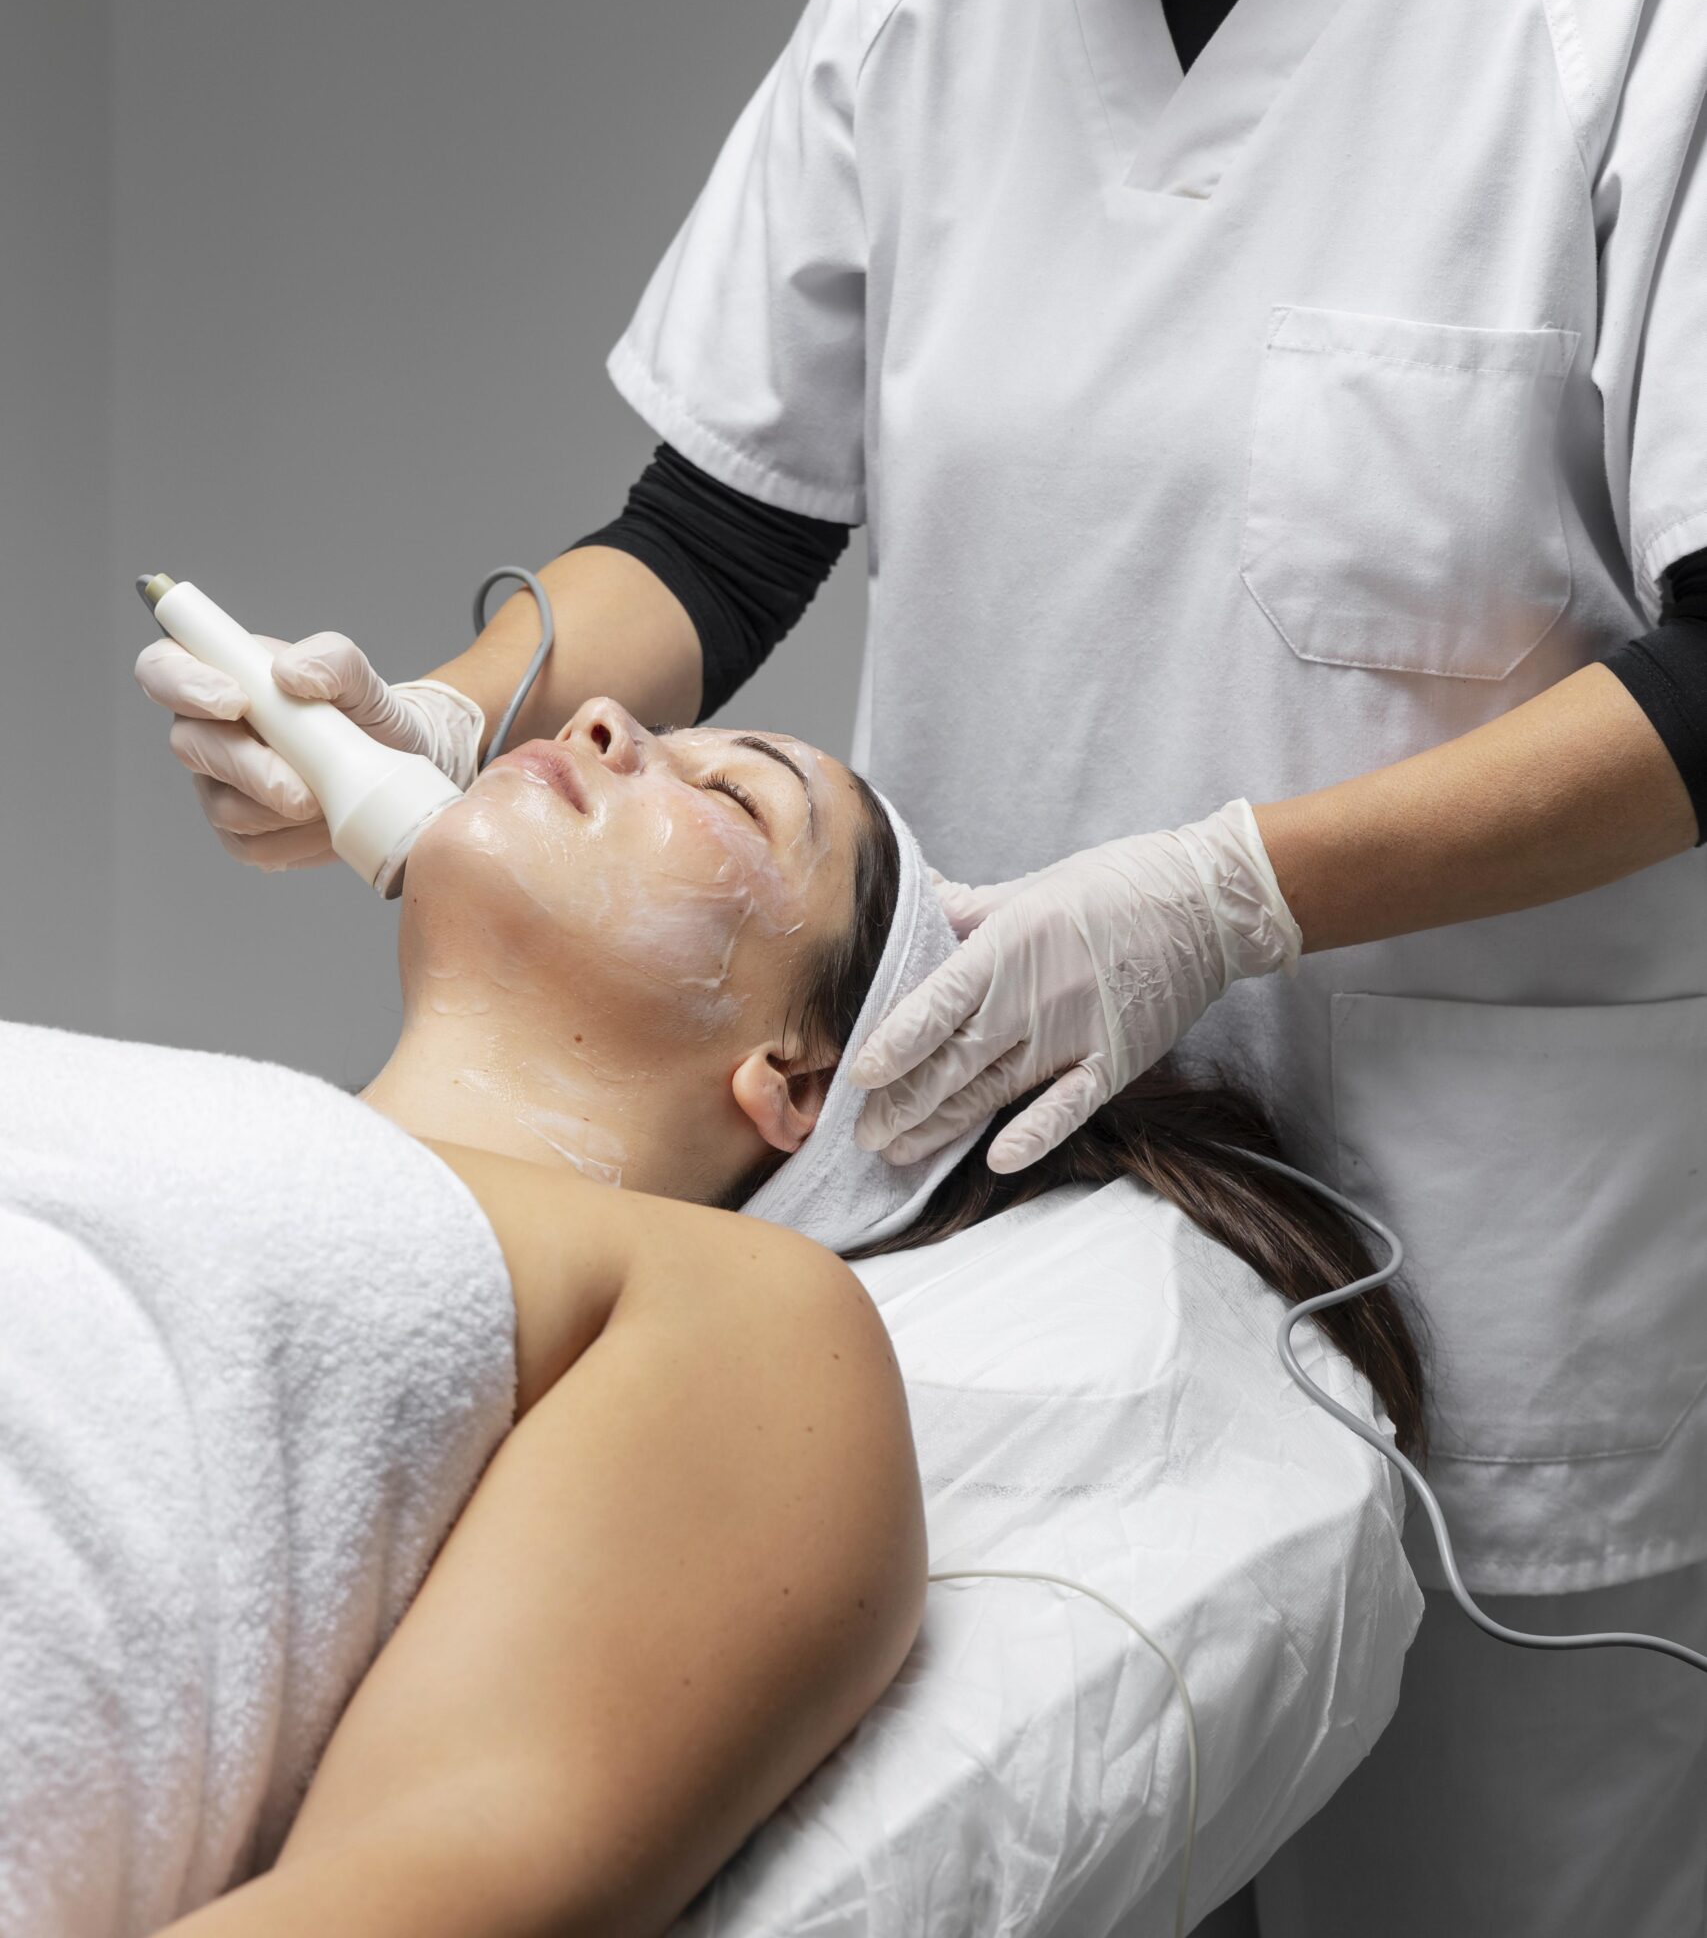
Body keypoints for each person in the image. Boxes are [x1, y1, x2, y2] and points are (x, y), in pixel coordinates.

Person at [140, 0, 1707, 1928]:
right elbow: (714, 524)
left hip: (1494, 1299)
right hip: (988, 1225)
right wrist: (441, 713)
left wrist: (1223, 887)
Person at [18, 694, 1416, 1937]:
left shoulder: (742, 1317)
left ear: (798, 1080)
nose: (609, 717)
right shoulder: (130, 1094)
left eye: (738, 796)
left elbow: (428, 1881)